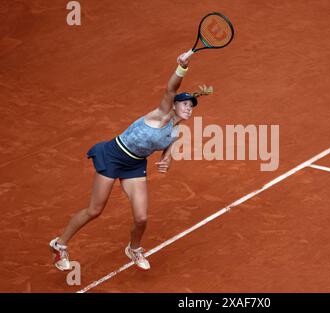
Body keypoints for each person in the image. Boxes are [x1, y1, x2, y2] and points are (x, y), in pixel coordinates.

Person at [49, 52, 211, 271]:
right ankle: (59, 245)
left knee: (142, 217)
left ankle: (133, 249)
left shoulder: (176, 130)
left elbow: (168, 152)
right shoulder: (162, 113)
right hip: (113, 155)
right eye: (185, 104)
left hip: (135, 165)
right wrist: (182, 68)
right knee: (95, 210)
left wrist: (167, 161)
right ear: (174, 105)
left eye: (191, 106)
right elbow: (170, 89)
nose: (189, 108)